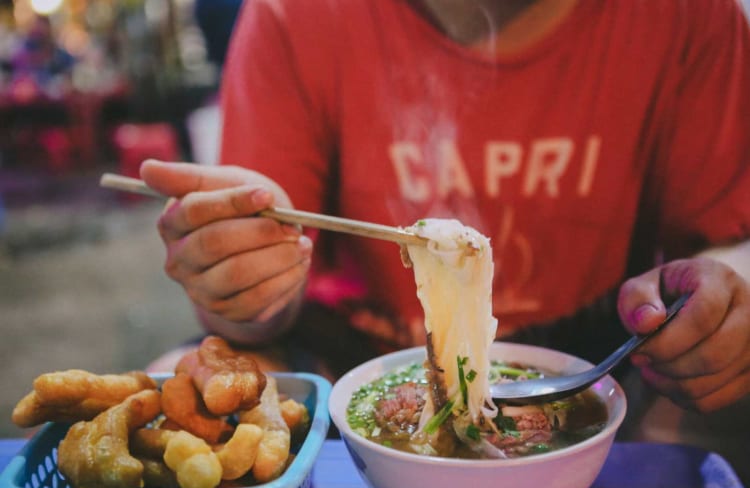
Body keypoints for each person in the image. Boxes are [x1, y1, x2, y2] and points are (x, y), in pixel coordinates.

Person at [142, 0, 750, 417]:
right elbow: (258, 308)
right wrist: (242, 283)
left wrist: (726, 296)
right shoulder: (297, 15)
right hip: (352, 350)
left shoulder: (685, 16)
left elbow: (731, 242)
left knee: (711, 413)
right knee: (173, 380)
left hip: (603, 352)